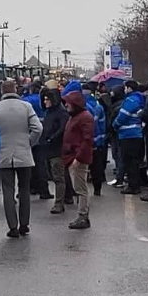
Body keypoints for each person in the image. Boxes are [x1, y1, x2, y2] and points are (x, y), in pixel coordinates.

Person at [0, 80, 43, 238]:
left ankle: (12, 227)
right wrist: (29, 142)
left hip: (3, 154)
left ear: (2, 91)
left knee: (8, 190)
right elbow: (38, 128)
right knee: (24, 189)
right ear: (16, 90)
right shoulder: (26, 107)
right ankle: (24, 224)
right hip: (23, 153)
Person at [62, 91, 95, 230]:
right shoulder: (76, 116)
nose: (66, 105)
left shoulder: (84, 117)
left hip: (77, 158)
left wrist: (78, 158)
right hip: (72, 156)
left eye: (68, 102)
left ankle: (83, 216)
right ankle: (82, 215)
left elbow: (87, 141)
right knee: (79, 188)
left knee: (80, 189)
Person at [113, 80, 145, 195]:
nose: (124, 90)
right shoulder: (140, 99)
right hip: (136, 134)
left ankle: (133, 186)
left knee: (130, 162)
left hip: (128, 134)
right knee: (134, 161)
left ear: (129, 89)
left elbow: (123, 116)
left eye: (125, 88)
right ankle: (135, 184)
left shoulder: (131, 100)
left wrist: (115, 125)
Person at [41, 88, 69, 214]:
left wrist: (51, 138)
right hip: (50, 148)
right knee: (57, 175)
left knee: (58, 177)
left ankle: (59, 203)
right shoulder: (50, 112)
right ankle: (66, 197)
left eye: (47, 99)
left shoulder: (61, 113)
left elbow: (62, 130)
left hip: (57, 148)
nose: (45, 102)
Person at [23, 81, 50, 199]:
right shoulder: (42, 101)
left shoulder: (25, 101)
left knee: (28, 164)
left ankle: (30, 188)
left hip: (27, 135)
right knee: (41, 164)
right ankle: (43, 190)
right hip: (41, 135)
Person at [83, 82, 107, 196]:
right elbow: (102, 125)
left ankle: (80, 191)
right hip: (96, 141)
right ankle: (97, 188)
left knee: (81, 166)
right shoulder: (98, 107)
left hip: (83, 142)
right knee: (96, 166)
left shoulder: (81, 106)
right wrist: (101, 140)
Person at [107, 85, 126, 188]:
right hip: (118, 133)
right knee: (119, 155)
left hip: (117, 133)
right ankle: (120, 177)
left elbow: (113, 120)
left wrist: (111, 127)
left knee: (118, 155)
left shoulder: (117, 106)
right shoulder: (121, 103)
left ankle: (119, 178)